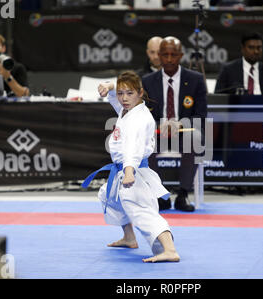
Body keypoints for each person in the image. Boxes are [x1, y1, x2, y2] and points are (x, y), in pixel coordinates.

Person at [82, 71, 180, 263]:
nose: (124, 98)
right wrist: (110, 87)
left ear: (140, 93)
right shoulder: (128, 109)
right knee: (109, 195)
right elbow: (115, 100)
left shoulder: (138, 119)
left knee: (141, 209)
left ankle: (169, 249)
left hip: (133, 169)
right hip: (121, 169)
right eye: (120, 93)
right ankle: (129, 237)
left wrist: (129, 172)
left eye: (129, 93)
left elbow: (132, 148)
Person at [142, 36, 207, 212]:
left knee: (194, 138)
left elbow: (201, 116)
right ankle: (160, 195)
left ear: (181, 56)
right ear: (159, 56)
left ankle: (182, 194)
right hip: (158, 134)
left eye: (173, 54)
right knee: (143, 140)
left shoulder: (195, 79)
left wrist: (181, 124)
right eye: (165, 54)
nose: (169, 59)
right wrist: (160, 124)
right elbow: (142, 115)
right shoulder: (147, 81)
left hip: (184, 133)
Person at [214, 31, 263, 96]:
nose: (256, 51)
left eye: (259, 47)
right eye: (251, 47)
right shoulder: (228, 70)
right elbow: (217, 97)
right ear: (243, 49)